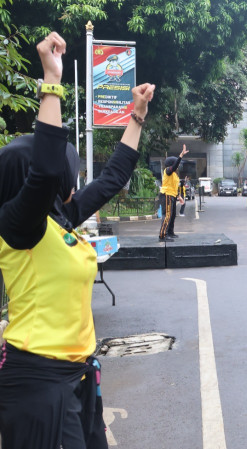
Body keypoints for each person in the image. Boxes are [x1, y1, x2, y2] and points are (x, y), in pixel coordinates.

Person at [0, 32, 155, 448]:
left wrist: (137, 117)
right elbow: (46, 171)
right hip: (37, 382)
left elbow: (112, 179)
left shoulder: (60, 219)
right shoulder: (20, 226)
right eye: (72, 169)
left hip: (77, 373)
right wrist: (51, 81)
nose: (76, 178)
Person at [158, 144, 189, 241]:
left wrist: (179, 197)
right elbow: (174, 166)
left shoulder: (174, 175)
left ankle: (170, 233)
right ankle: (163, 235)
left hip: (172, 195)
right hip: (166, 194)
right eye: (177, 164)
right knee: (167, 215)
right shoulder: (168, 171)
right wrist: (181, 155)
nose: (178, 165)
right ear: (172, 164)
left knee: (172, 215)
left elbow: (174, 187)